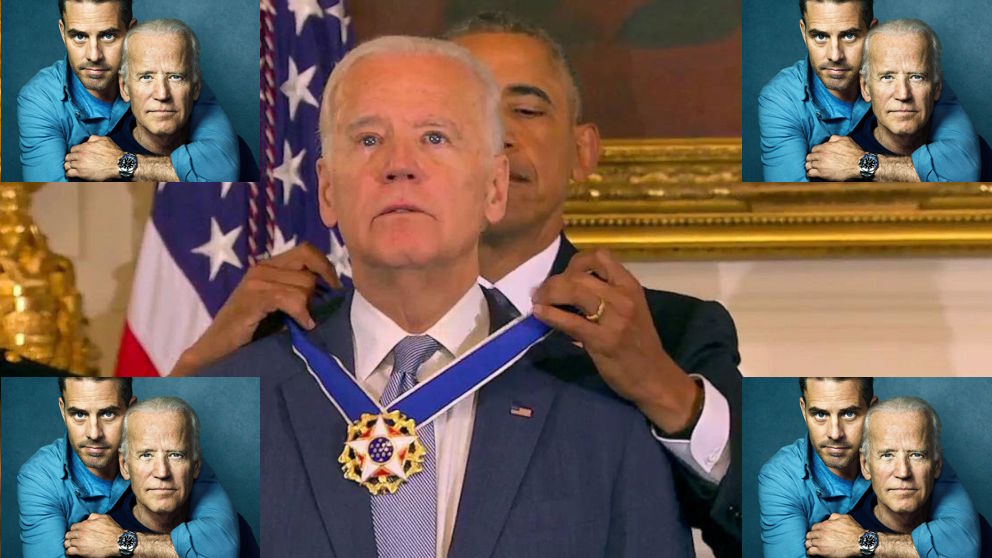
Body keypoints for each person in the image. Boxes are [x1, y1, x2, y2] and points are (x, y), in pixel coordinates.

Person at [176, 13, 742, 552]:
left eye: (436, 136)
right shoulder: (267, 364)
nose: (400, 164)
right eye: (369, 139)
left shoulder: (631, 375)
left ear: (494, 184)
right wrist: (198, 388)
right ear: (326, 189)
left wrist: (664, 392)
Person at [757, 0, 979, 182]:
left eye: (849, 35)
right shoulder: (780, 101)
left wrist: (860, 163)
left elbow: (963, 169)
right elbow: (790, 204)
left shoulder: (916, 81)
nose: (835, 55)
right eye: (820, 36)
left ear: (871, 31)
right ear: (804, 32)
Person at [16, 0, 239, 182]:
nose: (94, 55)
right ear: (63, 32)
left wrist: (120, 163)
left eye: (108, 35)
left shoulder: (175, 82)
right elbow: (51, 202)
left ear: (131, 31)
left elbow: (221, 171)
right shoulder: (40, 100)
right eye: (79, 36)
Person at [16, 378, 240, 558]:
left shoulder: (175, 460)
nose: (94, 433)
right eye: (79, 414)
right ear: (63, 410)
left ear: (131, 409)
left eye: (108, 414)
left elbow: (222, 546)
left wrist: (120, 541)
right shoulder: (40, 478)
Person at [758, 378, 979, 557]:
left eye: (849, 413)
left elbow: (964, 545)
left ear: (872, 409)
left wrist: (861, 541)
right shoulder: (780, 478)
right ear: (803, 410)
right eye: (820, 414)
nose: (835, 433)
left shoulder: (918, 457)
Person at [108, 397, 259, 558]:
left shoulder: (234, 531)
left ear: (196, 465)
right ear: (124, 465)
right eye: (146, 455)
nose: (162, 472)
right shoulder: (98, 541)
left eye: (175, 455)